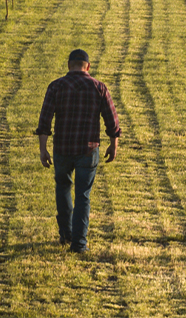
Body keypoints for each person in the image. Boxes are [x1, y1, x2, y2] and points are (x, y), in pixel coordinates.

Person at [34, 48, 120, 254]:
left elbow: (45, 120)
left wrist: (43, 149)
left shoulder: (56, 87)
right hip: (88, 149)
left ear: (68, 65)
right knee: (83, 195)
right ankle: (79, 244)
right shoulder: (99, 87)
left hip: (62, 147)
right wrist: (113, 144)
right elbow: (112, 120)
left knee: (63, 188)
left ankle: (66, 233)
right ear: (88, 67)